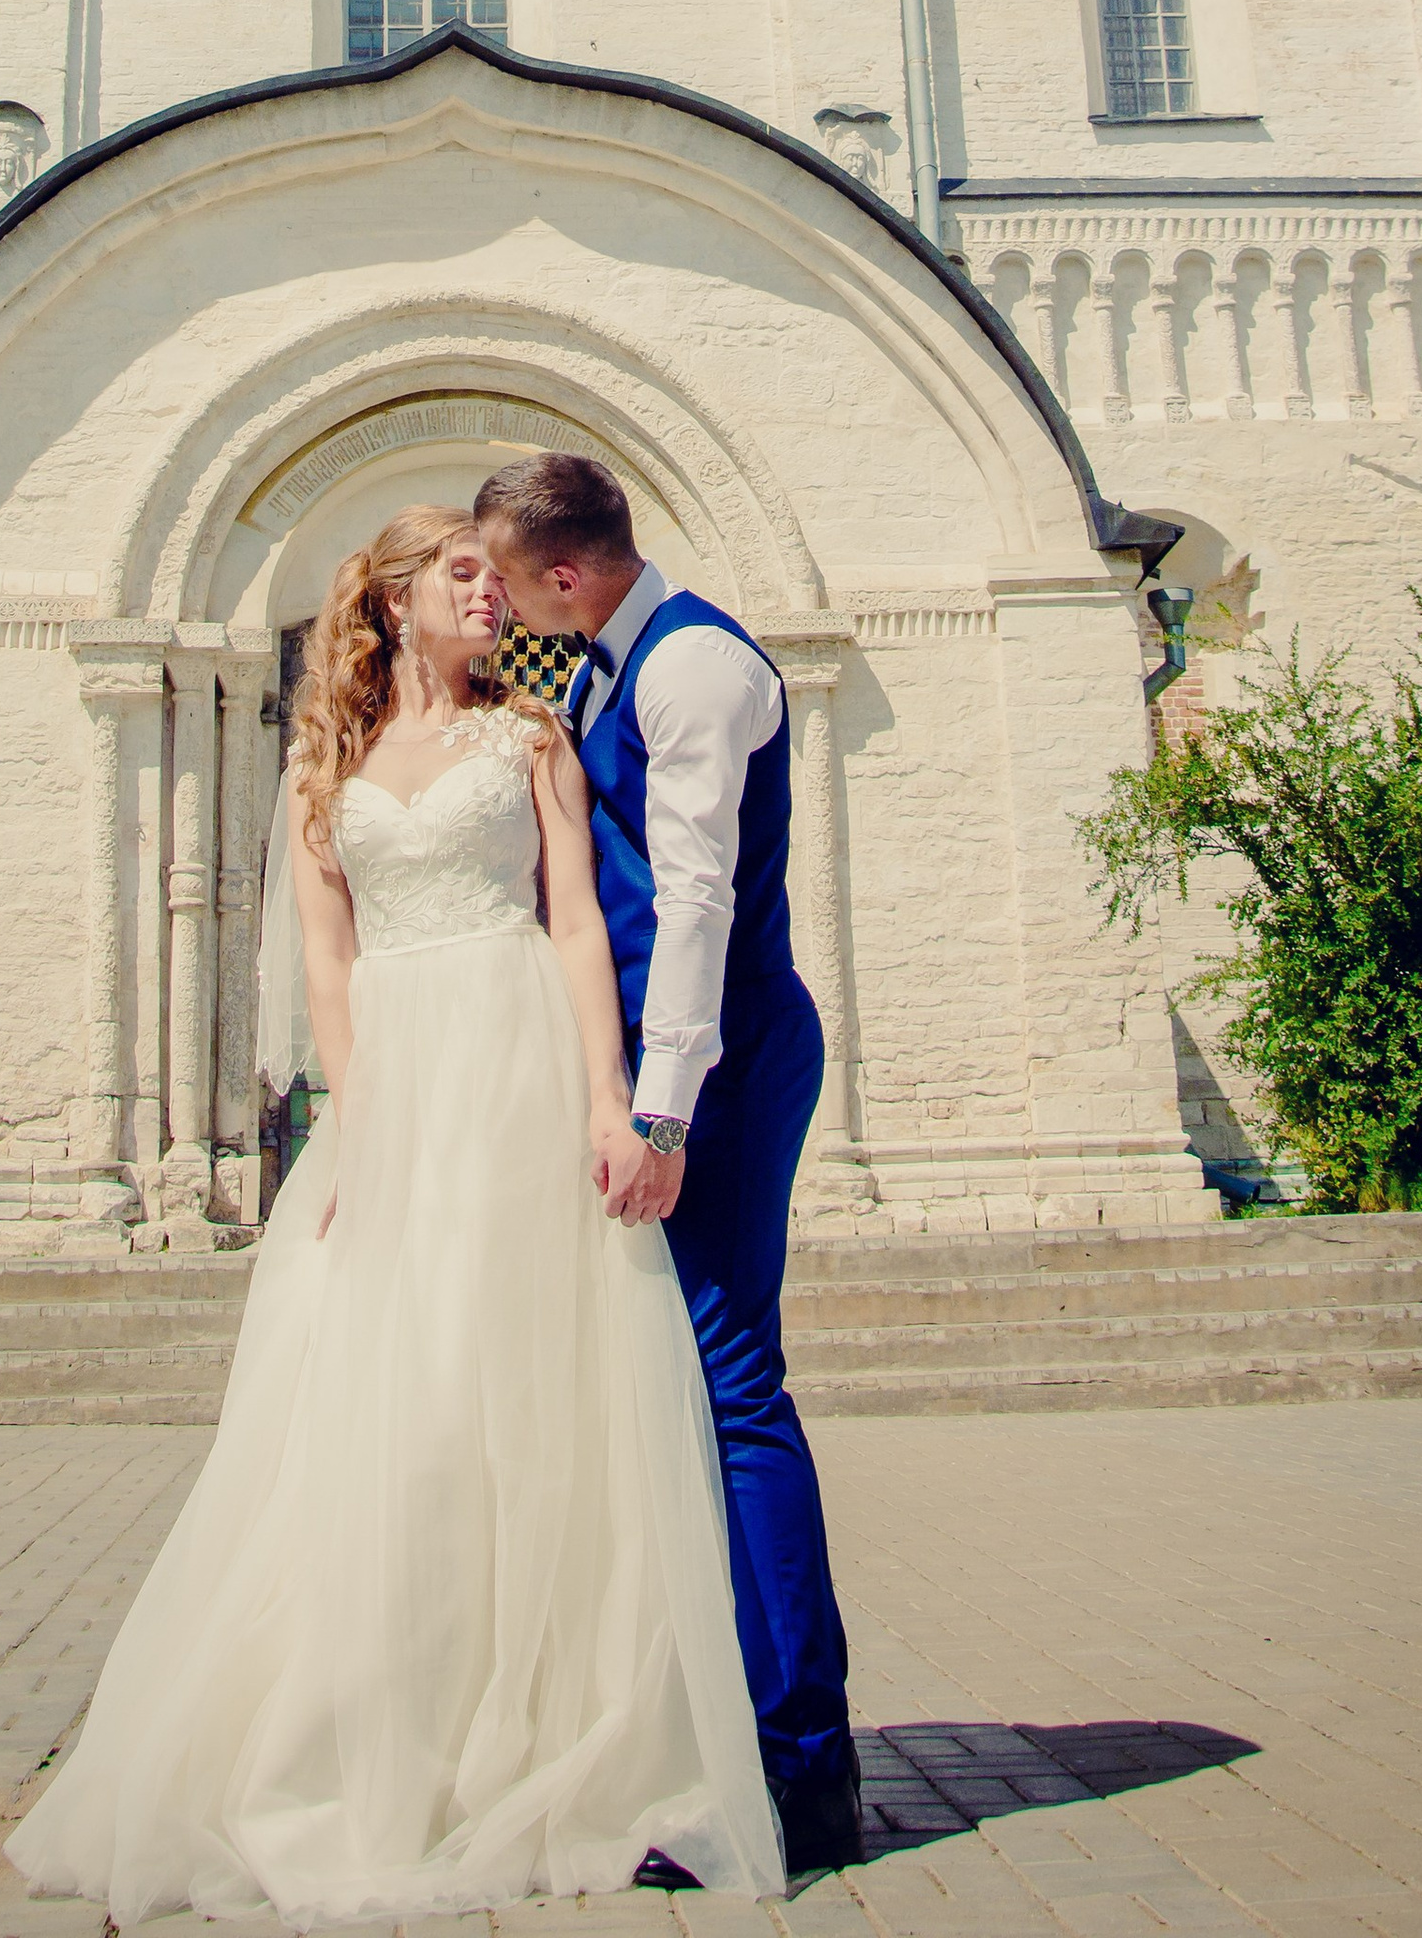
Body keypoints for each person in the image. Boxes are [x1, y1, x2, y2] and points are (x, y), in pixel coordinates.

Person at [4, 506, 782, 1927]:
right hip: (404, 1100)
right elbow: (326, 960)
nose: (491, 595)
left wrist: (613, 1108)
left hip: (521, 1069)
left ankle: (553, 1743)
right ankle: (386, 1740)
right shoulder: (325, 771)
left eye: (500, 572)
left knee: (542, 1401)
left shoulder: (530, 741)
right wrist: (361, 1136)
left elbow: (570, 927)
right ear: (390, 602)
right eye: (463, 574)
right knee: (397, 1413)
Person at [474, 452, 863, 1878]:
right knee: (685, 1391)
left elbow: (695, 894)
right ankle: (715, 1729)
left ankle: (799, 1766)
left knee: (732, 1386)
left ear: (566, 577)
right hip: (670, 1065)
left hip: (724, 1063)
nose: (502, 606)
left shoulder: (692, 668)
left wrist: (664, 1113)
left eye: (510, 583)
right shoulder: (607, 660)